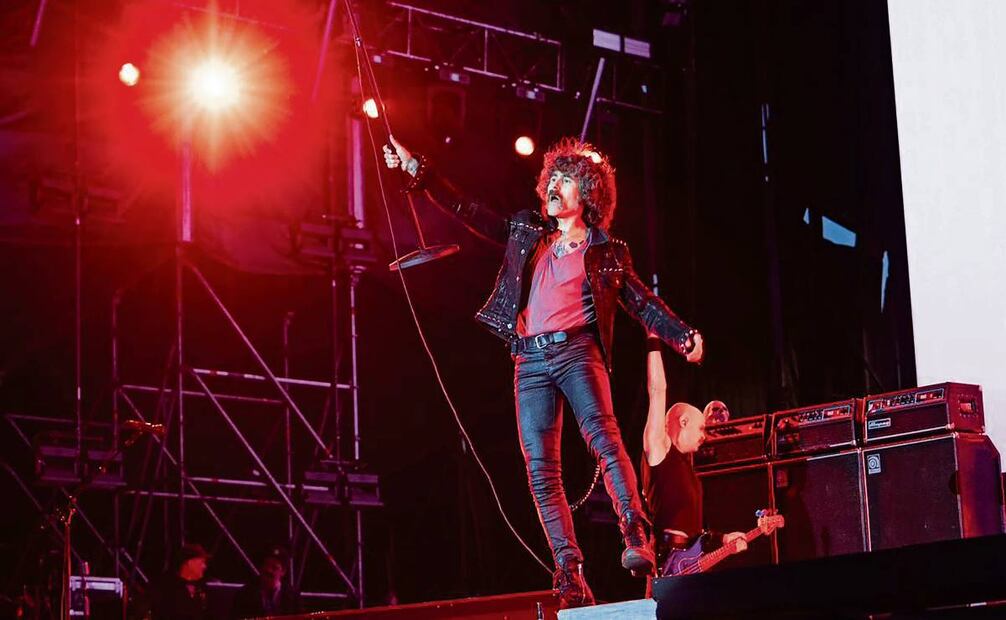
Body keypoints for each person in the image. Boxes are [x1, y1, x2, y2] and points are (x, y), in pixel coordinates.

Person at [384, 136, 704, 608]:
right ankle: (568, 571)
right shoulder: (527, 232)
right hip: (529, 360)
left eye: (567, 179)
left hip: (577, 353)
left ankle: (635, 531)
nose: (555, 184)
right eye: (553, 178)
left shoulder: (607, 252)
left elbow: (642, 303)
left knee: (604, 437)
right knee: (541, 469)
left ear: (588, 194)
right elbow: (469, 210)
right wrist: (420, 170)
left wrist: (683, 336)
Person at [640, 337, 745, 588]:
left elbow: (695, 536)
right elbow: (657, 390)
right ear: (683, 422)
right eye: (700, 428)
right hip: (666, 565)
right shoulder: (658, 449)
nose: (703, 436)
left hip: (690, 567)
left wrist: (723, 539)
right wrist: (653, 340)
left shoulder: (689, 469)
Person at [230, 546, 302, 619]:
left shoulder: (292, 596)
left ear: (283, 572)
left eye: (274, 568)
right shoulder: (245, 594)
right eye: (266, 565)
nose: (269, 570)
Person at [151, 543, 210, 620]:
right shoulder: (167, 586)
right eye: (202, 562)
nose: (204, 566)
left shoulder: (204, 587)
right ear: (190, 562)